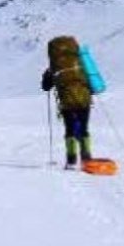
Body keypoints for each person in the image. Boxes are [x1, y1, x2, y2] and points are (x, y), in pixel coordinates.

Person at [41, 36, 96, 168]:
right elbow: (92, 80)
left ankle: (71, 160)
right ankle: (86, 157)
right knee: (84, 127)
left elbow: (45, 86)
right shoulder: (80, 62)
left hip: (67, 101)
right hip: (84, 99)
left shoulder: (55, 67)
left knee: (70, 129)